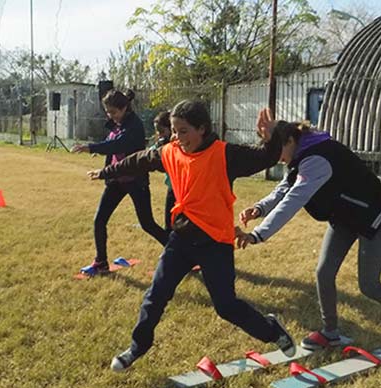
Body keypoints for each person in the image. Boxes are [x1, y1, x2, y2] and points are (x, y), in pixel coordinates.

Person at [88, 101, 296, 371]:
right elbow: (139, 160)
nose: (178, 137)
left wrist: (272, 136)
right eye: (175, 131)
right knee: (155, 295)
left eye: (184, 131)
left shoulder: (225, 155)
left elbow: (265, 158)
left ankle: (272, 330)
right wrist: (106, 172)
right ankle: (137, 347)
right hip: (181, 240)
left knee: (226, 306)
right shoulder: (171, 151)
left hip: (215, 243)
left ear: (202, 129)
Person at [236, 119, 381, 357]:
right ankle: (330, 332)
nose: (274, 156)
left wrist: (257, 234)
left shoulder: (316, 159)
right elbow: (284, 187)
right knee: (324, 273)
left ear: (291, 141)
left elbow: (292, 200)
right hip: (344, 216)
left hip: (372, 215)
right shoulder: (300, 153)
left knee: (369, 285)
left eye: (276, 148)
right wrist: (259, 208)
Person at [71, 89, 168, 276]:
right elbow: (111, 142)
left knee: (147, 223)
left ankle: (179, 254)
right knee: (99, 220)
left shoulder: (134, 126)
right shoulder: (116, 123)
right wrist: (102, 152)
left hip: (135, 180)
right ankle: (101, 263)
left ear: (124, 108)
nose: (110, 116)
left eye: (113, 112)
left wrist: (91, 147)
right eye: (108, 112)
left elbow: (118, 144)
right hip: (116, 179)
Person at [149, 111, 175, 231]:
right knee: (168, 224)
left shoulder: (177, 145)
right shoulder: (162, 144)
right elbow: (150, 153)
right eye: (157, 131)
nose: (159, 134)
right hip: (171, 187)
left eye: (162, 131)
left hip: (180, 189)